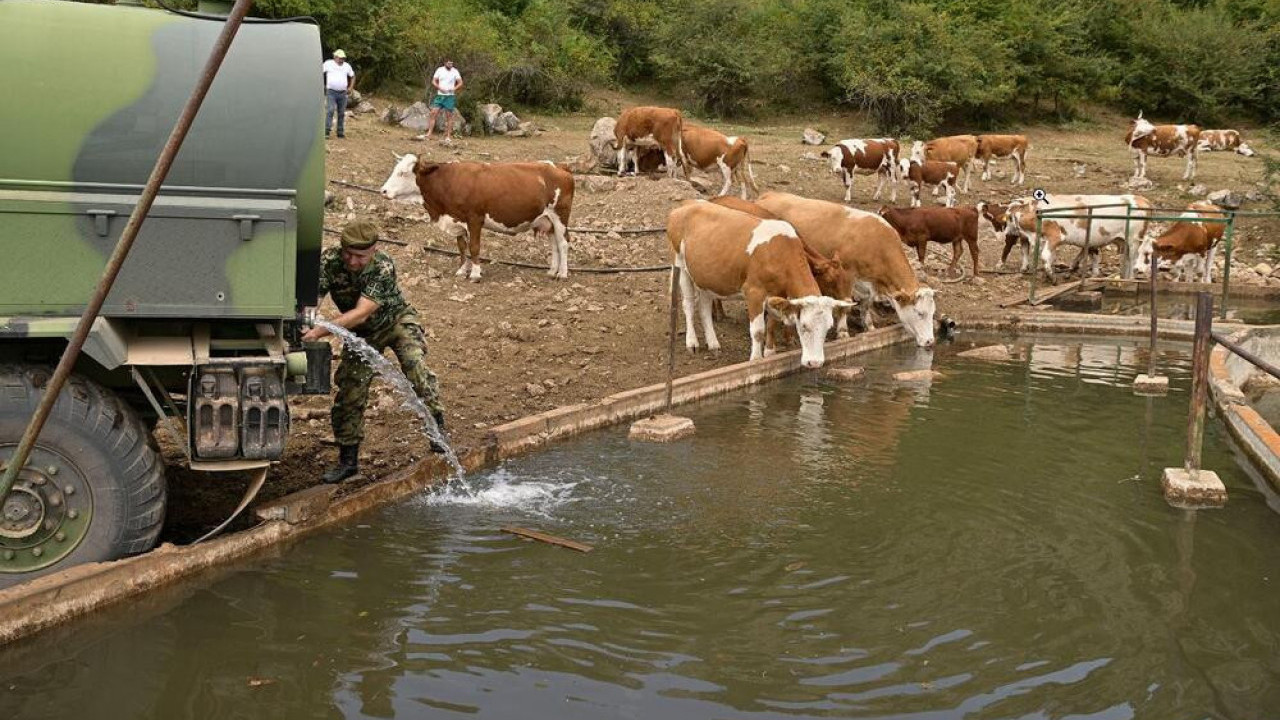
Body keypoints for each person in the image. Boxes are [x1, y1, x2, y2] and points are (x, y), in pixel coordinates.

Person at [301, 221, 447, 483]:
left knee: (416, 371)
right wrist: (307, 316)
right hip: (362, 334)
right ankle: (348, 461)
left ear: (373, 250)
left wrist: (318, 332)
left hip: (396, 323)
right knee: (350, 390)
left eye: (360, 256)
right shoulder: (330, 261)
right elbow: (313, 297)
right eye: (348, 254)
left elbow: (361, 312)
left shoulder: (382, 265)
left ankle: (438, 433)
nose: (353, 261)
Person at [425, 60, 464, 142]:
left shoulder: (455, 71)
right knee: (433, 113)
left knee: (449, 116)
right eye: (449, 63)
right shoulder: (439, 70)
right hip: (440, 95)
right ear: (445, 63)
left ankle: (448, 136)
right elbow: (434, 81)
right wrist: (439, 88)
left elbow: (460, 83)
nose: (451, 65)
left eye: (452, 63)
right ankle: (429, 133)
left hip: (450, 96)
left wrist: (454, 88)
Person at [322, 49, 355, 139]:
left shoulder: (347, 66)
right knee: (330, 110)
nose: (342, 60)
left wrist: (350, 87)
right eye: (340, 58)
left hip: (343, 93)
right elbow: (319, 72)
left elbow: (352, 76)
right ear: (335, 57)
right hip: (331, 92)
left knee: (341, 113)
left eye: (343, 58)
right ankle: (327, 131)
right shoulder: (328, 64)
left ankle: (340, 132)